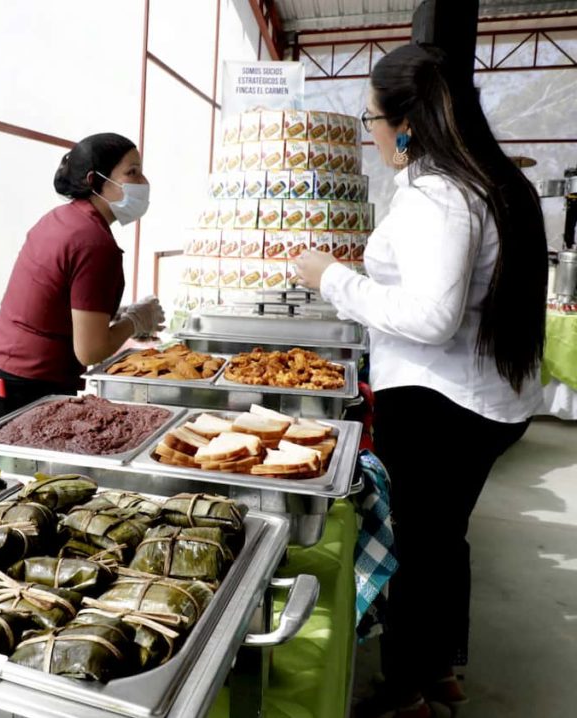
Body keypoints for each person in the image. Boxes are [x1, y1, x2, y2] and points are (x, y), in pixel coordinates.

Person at [294, 45, 547, 718]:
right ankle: (439, 671)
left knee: (418, 547)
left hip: (443, 406)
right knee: (442, 541)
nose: (369, 131)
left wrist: (334, 280)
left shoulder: (442, 195)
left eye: (371, 118)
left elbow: (433, 318)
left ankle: (407, 690)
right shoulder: (483, 183)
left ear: (406, 122)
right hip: (479, 399)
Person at [0, 132, 165, 422]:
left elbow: (55, 298)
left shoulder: (63, 218)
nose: (144, 183)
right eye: (132, 172)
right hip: (24, 384)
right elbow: (91, 350)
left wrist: (119, 316)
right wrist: (136, 321)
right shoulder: (94, 242)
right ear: (93, 180)